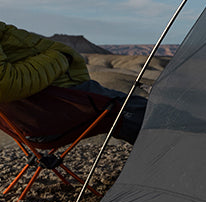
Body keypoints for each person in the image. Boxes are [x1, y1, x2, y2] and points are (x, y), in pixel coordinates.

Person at [0, 20, 145, 143]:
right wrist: (60, 58)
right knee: (148, 113)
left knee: (139, 110)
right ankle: (158, 170)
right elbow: (4, 84)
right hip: (60, 107)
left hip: (43, 111)